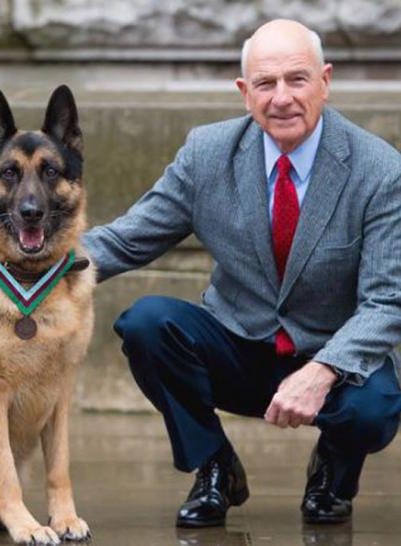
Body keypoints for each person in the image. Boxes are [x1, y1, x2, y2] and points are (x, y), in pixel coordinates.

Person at [83, 19, 401, 527]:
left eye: (297, 80)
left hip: (330, 357)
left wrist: (322, 373)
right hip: (238, 344)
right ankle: (215, 467)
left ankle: (332, 476)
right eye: (265, 84)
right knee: (147, 323)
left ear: (325, 82)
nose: (281, 98)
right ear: (243, 92)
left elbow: (387, 302)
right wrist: (29, 270)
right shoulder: (207, 154)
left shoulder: (380, 171)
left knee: (376, 405)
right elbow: (126, 239)